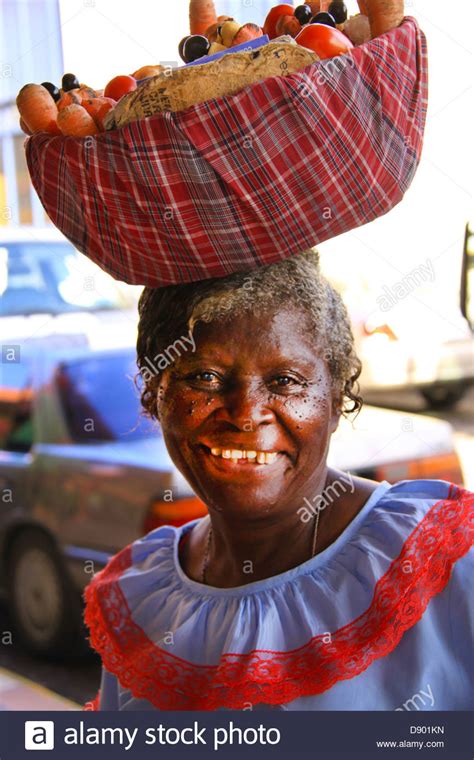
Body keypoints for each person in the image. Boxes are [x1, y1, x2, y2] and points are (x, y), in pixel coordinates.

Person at [84, 250, 473, 711]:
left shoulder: (445, 562)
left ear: (336, 397)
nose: (246, 415)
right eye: (205, 377)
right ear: (155, 393)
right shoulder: (138, 596)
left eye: (286, 380)